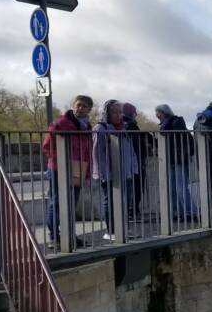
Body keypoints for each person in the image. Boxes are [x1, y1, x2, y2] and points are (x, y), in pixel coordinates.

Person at [41, 95, 94, 248]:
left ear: (90, 109)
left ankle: (69, 235)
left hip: (77, 168)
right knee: (56, 202)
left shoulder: (87, 126)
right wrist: (62, 161)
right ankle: (54, 237)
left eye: (85, 106)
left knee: (71, 203)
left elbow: (87, 151)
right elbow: (47, 146)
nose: (81, 108)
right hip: (59, 168)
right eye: (78, 105)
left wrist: (86, 170)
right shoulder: (61, 123)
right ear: (73, 105)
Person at [91, 100, 139, 240]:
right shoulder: (100, 128)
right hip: (111, 172)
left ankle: (123, 228)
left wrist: (133, 167)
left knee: (125, 201)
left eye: (120, 112)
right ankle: (111, 231)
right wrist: (104, 173)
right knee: (110, 201)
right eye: (114, 112)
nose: (118, 115)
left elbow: (130, 150)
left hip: (126, 171)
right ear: (106, 113)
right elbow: (98, 153)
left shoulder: (123, 127)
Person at [156, 103, 198, 221]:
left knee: (180, 187)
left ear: (163, 113)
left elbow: (178, 140)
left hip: (178, 159)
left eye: (157, 112)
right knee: (173, 187)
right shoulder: (168, 123)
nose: (156, 115)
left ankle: (190, 212)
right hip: (172, 159)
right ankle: (178, 211)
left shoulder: (175, 123)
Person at [121, 102, 152, 217]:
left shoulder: (121, 124)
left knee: (129, 186)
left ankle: (130, 210)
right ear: (132, 113)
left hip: (126, 159)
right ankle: (133, 210)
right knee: (137, 185)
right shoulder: (131, 125)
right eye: (135, 112)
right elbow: (136, 143)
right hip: (136, 159)